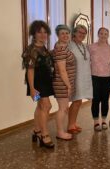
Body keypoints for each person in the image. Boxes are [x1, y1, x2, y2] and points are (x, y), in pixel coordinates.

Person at [21, 20, 54, 148]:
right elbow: (30, 70)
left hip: (45, 82)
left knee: (41, 107)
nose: (43, 34)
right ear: (33, 34)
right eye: (39, 32)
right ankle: (44, 135)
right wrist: (33, 88)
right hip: (36, 83)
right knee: (46, 106)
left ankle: (36, 130)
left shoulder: (43, 47)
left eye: (45, 32)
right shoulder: (32, 49)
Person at [67, 25, 93, 133]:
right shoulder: (69, 45)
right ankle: (70, 125)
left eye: (84, 33)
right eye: (80, 32)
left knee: (79, 101)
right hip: (75, 76)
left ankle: (73, 123)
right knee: (76, 100)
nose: (82, 35)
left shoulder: (84, 45)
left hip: (85, 76)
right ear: (74, 33)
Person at [52, 24, 76, 140]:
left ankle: (60, 131)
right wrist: (68, 85)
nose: (65, 35)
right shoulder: (61, 50)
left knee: (64, 108)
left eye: (67, 33)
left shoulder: (62, 47)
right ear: (58, 35)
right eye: (62, 33)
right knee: (63, 108)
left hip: (63, 83)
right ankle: (60, 132)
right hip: (62, 84)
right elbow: (62, 70)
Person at [88, 27, 110, 131]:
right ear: (98, 34)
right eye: (101, 33)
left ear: (108, 35)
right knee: (96, 99)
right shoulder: (91, 47)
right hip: (95, 77)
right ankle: (96, 122)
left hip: (107, 77)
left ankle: (104, 120)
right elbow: (86, 61)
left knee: (105, 100)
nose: (103, 35)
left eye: (105, 34)